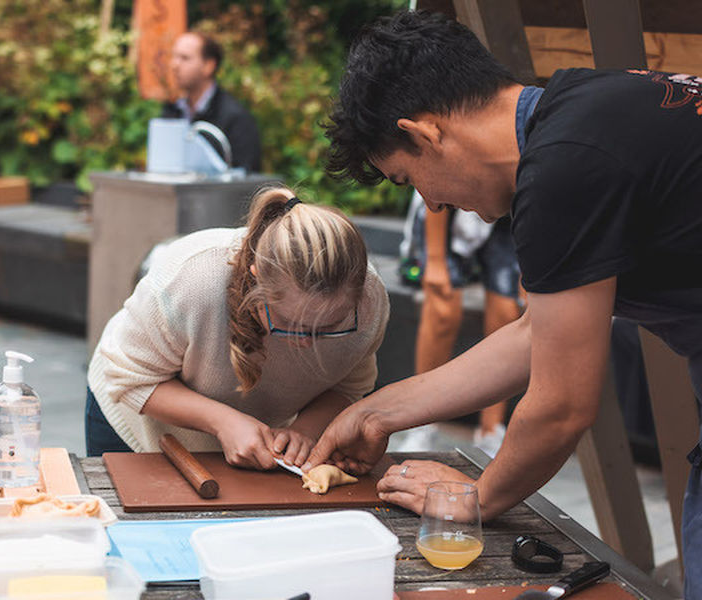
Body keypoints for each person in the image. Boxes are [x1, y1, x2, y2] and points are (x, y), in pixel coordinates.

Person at [305, 11, 702, 596]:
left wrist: (475, 498)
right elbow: (534, 336)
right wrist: (376, 412)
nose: (432, 206)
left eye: (408, 177)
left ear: (424, 134)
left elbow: (562, 404)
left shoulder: (562, 173)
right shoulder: (586, 105)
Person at [86, 184, 390, 471]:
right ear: (256, 279)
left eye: (330, 326)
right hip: (134, 425)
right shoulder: (191, 279)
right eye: (287, 324)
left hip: (248, 439)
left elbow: (349, 385)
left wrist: (305, 431)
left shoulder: (369, 302)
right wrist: (222, 421)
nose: (305, 344)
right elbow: (131, 378)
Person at [398, 191, 522, 456]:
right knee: (442, 308)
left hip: (507, 213)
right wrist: (434, 262)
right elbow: (433, 179)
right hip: (443, 206)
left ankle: (491, 430)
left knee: (508, 312)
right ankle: (422, 423)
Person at [163, 30, 262, 173]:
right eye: (174, 56)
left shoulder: (236, 118)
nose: (174, 65)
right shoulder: (172, 111)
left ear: (208, 66)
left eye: (184, 58)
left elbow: (246, 180)